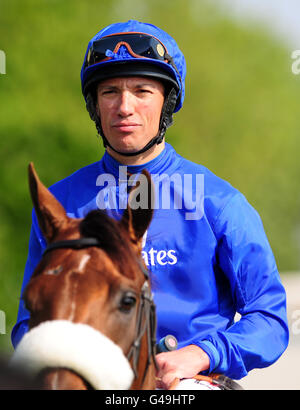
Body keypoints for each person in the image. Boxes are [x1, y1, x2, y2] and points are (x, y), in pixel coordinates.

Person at [12, 20, 289, 389]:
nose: (124, 107)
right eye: (110, 91)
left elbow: (269, 318)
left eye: (142, 90)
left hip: (189, 382)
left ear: (166, 102)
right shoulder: (60, 203)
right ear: (95, 105)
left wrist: (203, 353)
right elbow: (28, 324)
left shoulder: (219, 203)